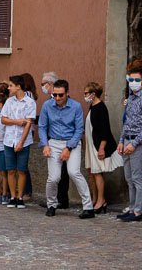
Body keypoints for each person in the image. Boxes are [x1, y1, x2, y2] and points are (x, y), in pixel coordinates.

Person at [38, 80, 96, 219]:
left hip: (72, 142)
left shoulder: (76, 106)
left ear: (67, 93)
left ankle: (88, 207)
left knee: (74, 172)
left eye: (61, 95)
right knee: (53, 178)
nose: (57, 98)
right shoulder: (47, 105)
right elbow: (42, 127)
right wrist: (45, 145)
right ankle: (51, 205)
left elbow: (79, 129)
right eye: (55, 95)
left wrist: (68, 147)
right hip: (53, 142)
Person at [117, 60, 142, 222]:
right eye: (131, 80)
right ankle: (132, 208)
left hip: (139, 143)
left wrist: (134, 144)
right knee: (129, 178)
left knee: (138, 178)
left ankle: (139, 211)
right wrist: (121, 141)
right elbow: (127, 123)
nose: (133, 82)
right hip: (127, 140)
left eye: (136, 80)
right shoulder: (131, 98)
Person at [82, 82, 122, 214]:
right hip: (91, 144)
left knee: (97, 172)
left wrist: (101, 148)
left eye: (86, 93)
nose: (84, 95)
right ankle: (95, 199)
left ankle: (101, 200)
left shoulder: (101, 108)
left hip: (97, 145)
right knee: (91, 172)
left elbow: (105, 130)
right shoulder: (92, 106)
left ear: (93, 94)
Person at [2, 75, 37, 209]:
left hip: (24, 141)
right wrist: (17, 121)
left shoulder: (30, 102)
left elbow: (28, 123)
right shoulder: (9, 102)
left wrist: (21, 142)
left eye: (11, 85)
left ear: (18, 86)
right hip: (9, 139)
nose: (9, 88)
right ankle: (12, 197)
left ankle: (20, 197)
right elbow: (3, 119)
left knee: (22, 170)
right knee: (10, 169)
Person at [40, 71, 71, 209]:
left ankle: (62, 199)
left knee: (63, 172)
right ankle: (52, 199)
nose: (42, 87)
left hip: (63, 141)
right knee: (53, 174)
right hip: (51, 140)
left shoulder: (64, 100)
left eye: (43, 84)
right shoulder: (48, 102)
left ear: (51, 84)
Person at [19, 73, 39, 203]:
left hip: (25, 131)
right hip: (24, 130)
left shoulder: (28, 95)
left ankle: (27, 190)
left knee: (23, 163)